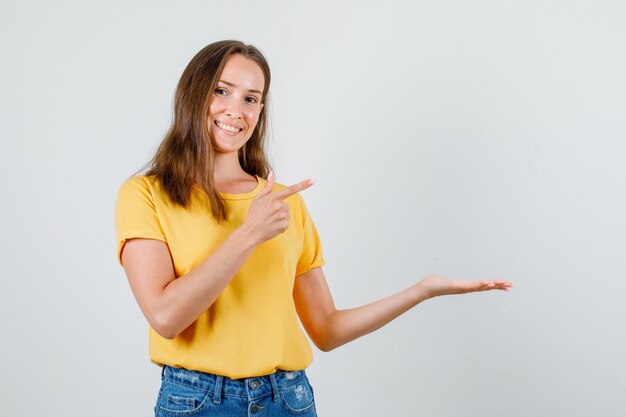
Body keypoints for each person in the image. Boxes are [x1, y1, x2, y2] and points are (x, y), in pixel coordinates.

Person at [114, 40, 513, 417]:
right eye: (222, 91)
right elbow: (166, 317)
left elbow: (326, 330)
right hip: (198, 401)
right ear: (193, 94)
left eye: (251, 98)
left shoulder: (283, 203)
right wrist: (249, 233)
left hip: (289, 399)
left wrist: (421, 290)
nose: (237, 110)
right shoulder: (147, 194)